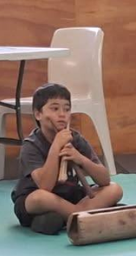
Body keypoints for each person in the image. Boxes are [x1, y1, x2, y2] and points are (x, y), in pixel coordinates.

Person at [12, 83, 122, 234]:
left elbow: (104, 180)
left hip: (70, 197)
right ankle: (87, 215)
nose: (62, 114)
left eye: (67, 109)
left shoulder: (75, 139)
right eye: (55, 108)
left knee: (114, 189)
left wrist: (80, 159)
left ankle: (68, 217)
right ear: (38, 114)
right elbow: (45, 187)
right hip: (40, 200)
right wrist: (56, 146)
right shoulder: (31, 145)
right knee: (39, 198)